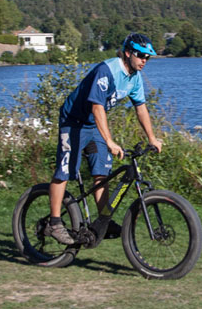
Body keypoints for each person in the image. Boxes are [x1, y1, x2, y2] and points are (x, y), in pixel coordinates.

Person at [46, 33, 163, 245]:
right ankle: (54, 223)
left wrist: (152, 138)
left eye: (148, 57)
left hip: (92, 125)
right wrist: (109, 141)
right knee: (64, 171)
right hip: (73, 121)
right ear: (128, 53)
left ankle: (103, 222)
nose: (144, 60)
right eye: (141, 55)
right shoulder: (107, 70)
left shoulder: (134, 78)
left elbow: (141, 108)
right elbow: (97, 106)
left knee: (102, 173)